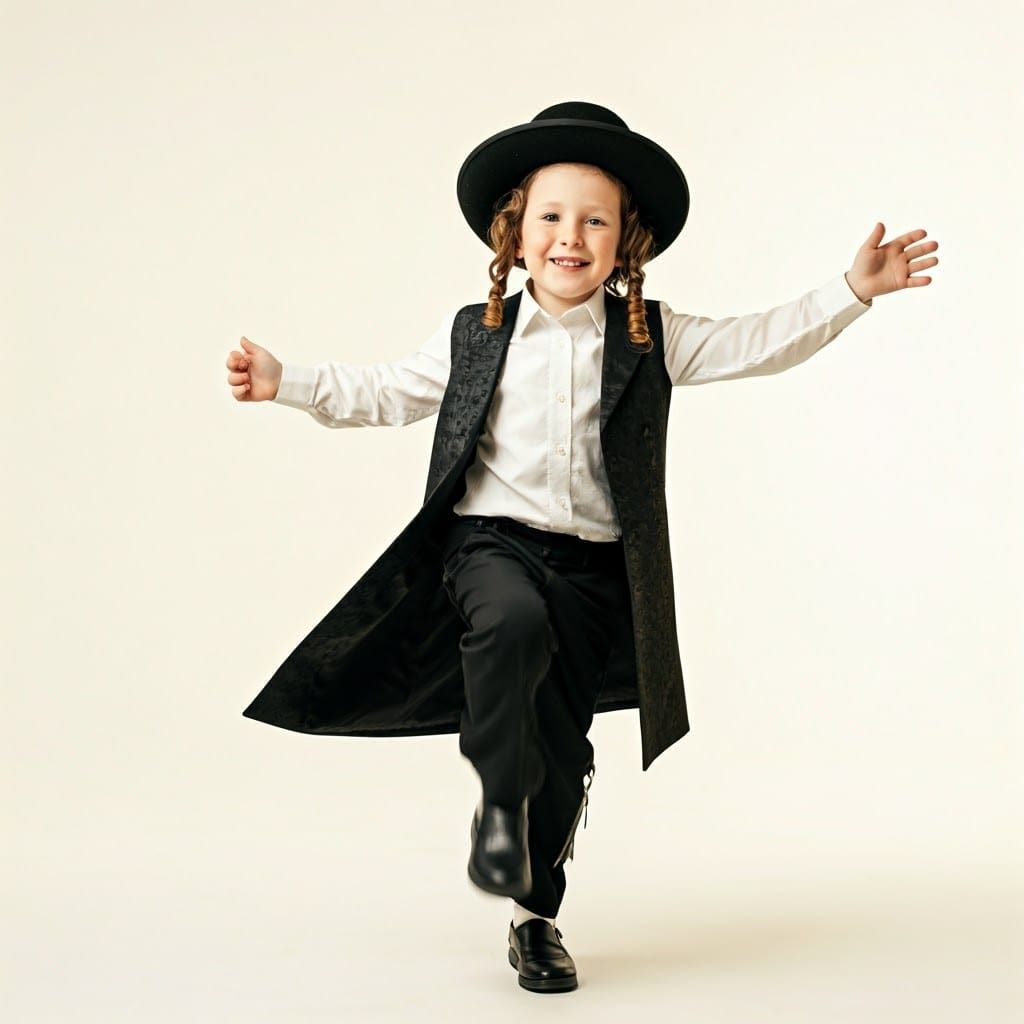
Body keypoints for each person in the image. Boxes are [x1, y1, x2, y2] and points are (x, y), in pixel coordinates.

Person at [225, 101, 939, 993]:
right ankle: (496, 795)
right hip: (489, 549)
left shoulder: (649, 335)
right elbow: (385, 391)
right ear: (514, 234)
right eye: (551, 217)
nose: (572, 237)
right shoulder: (476, 334)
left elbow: (755, 343)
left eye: (595, 221)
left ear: (624, 242)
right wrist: (286, 381)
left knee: (563, 747)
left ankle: (535, 916)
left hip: (597, 569)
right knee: (511, 627)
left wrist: (851, 291)